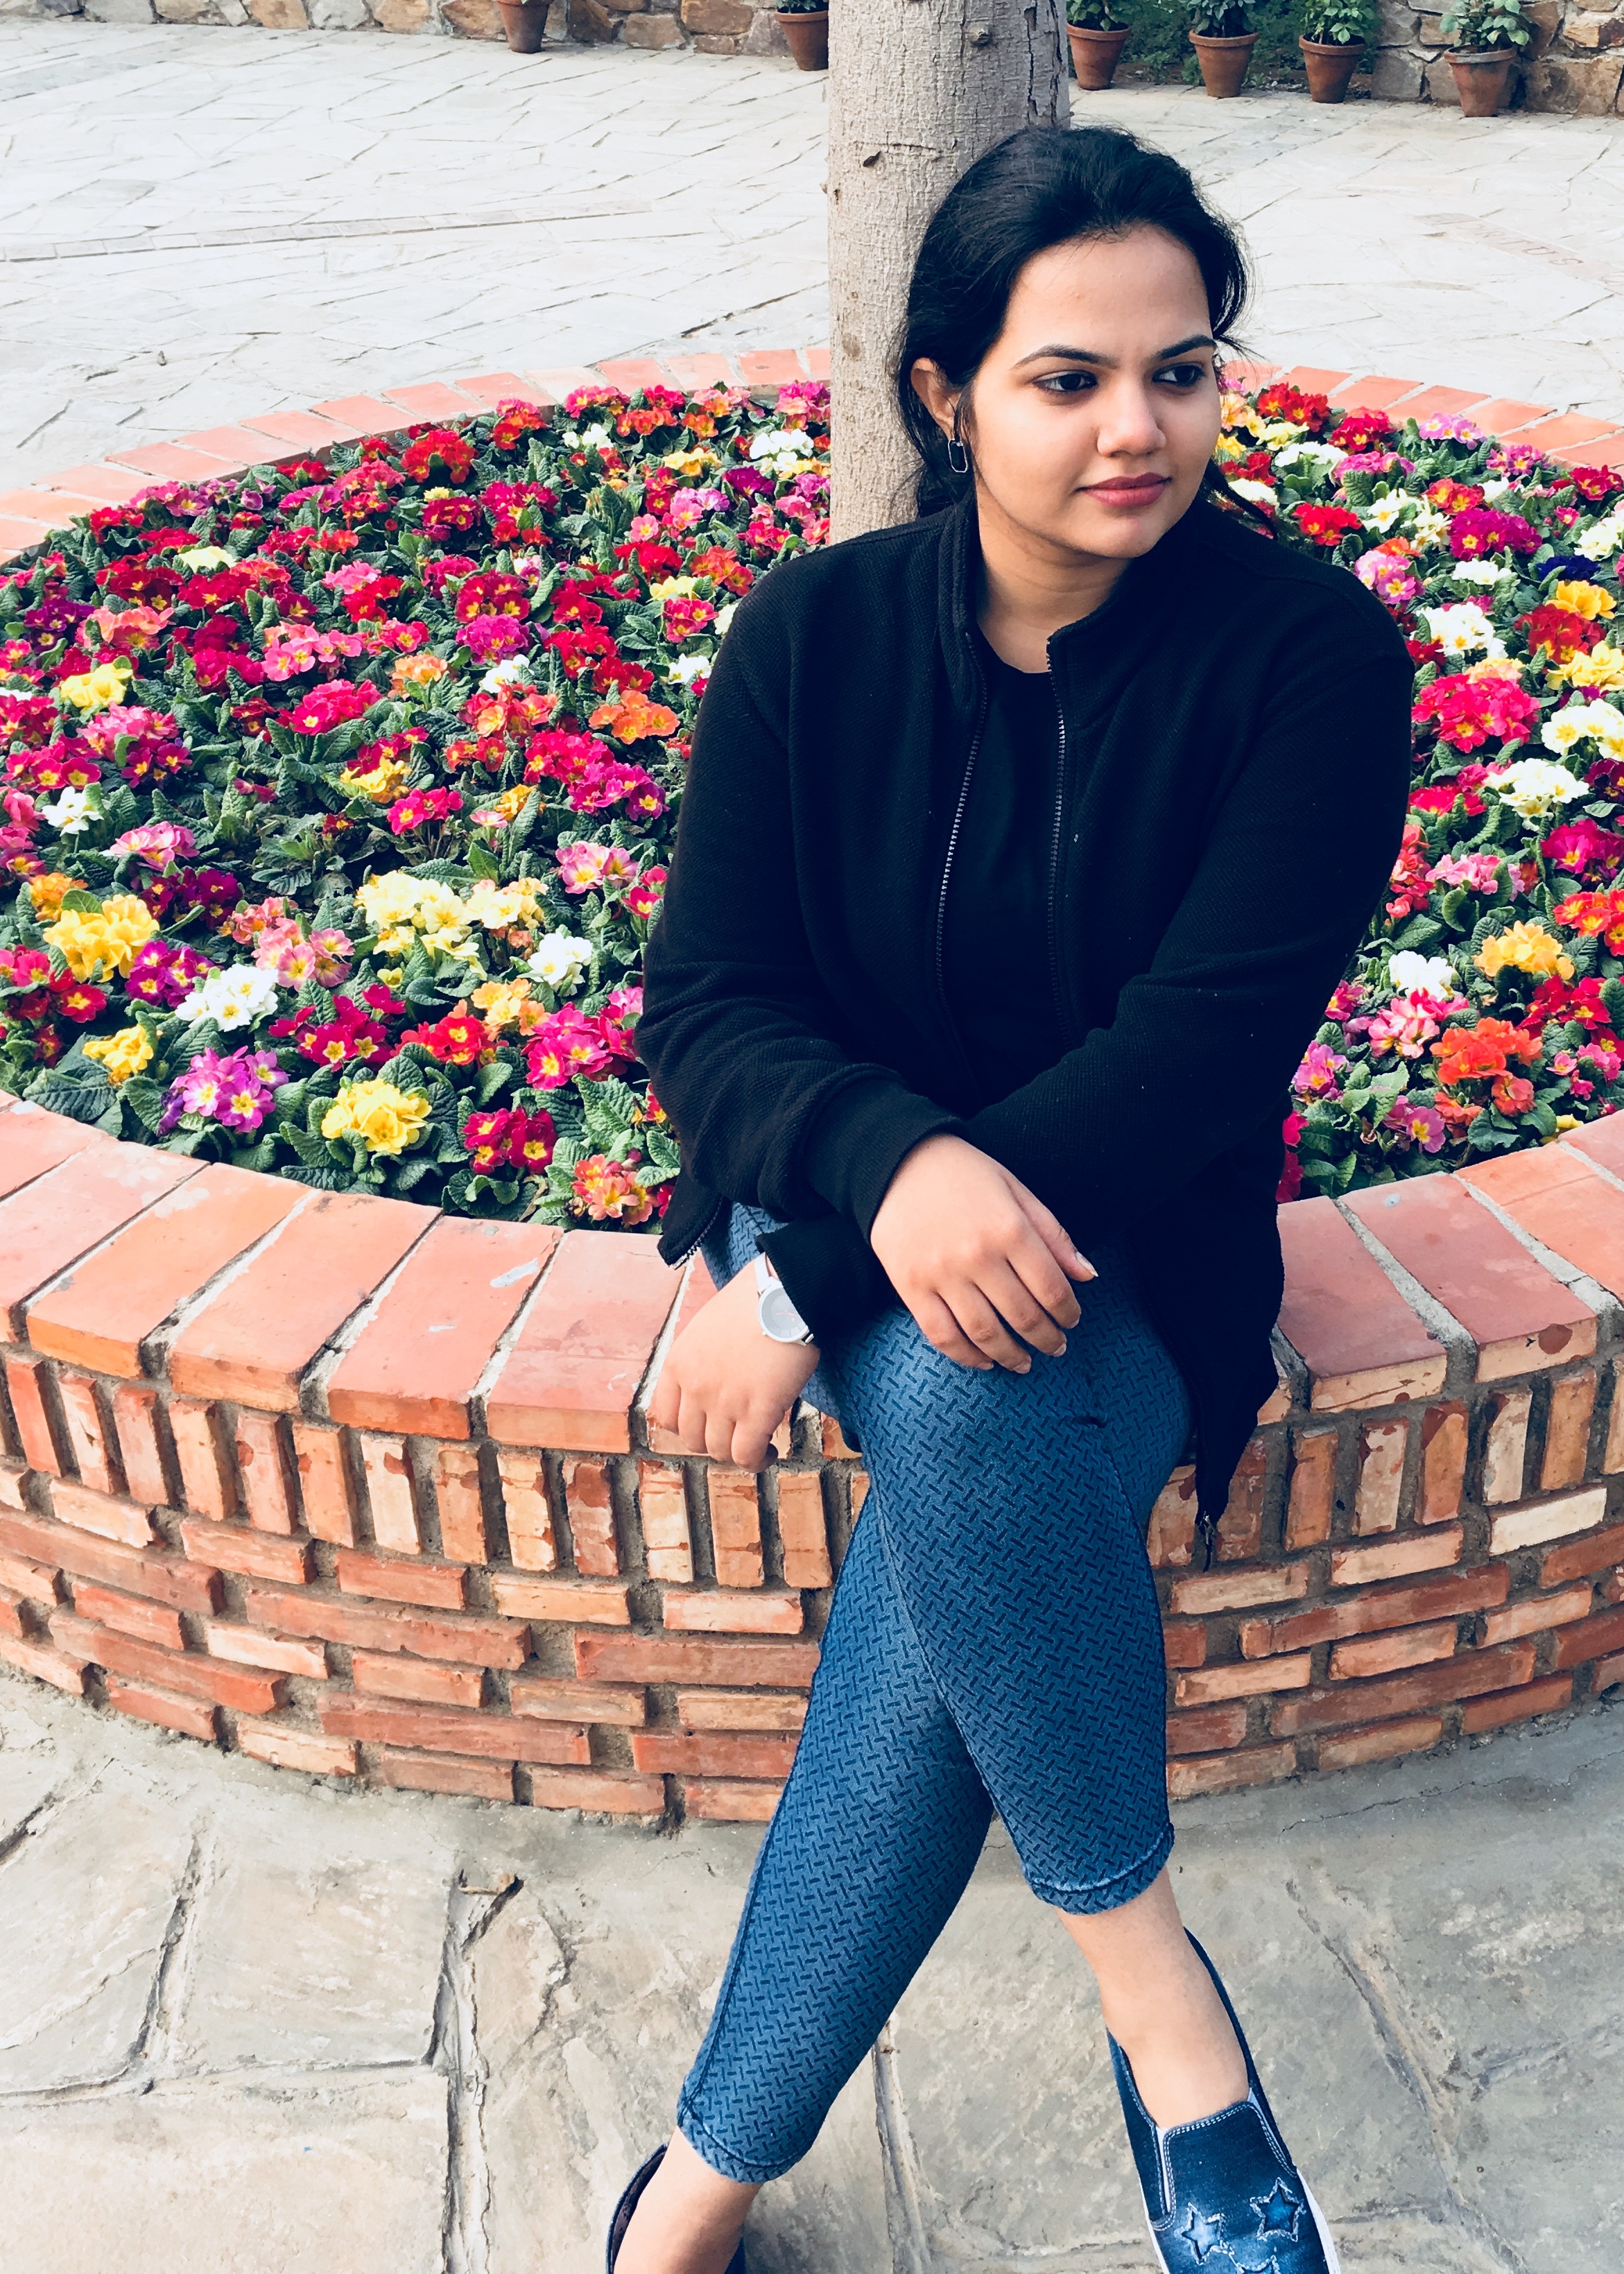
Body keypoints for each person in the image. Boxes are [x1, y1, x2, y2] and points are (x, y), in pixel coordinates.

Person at [618, 122, 1413, 2274]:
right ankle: (1173, 2044)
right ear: (944, 393)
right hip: (830, 1179)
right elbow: (710, 1005)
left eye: (1183, 369)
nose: (1136, 428)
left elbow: (1204, 1052)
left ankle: (699, 2197)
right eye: (1068, 378)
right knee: (967, 1458)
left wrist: (803, 1290)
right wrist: (880, 1181)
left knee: (970, 1440)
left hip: (1132, 1240)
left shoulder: (1311, 663)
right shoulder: (818, 639)